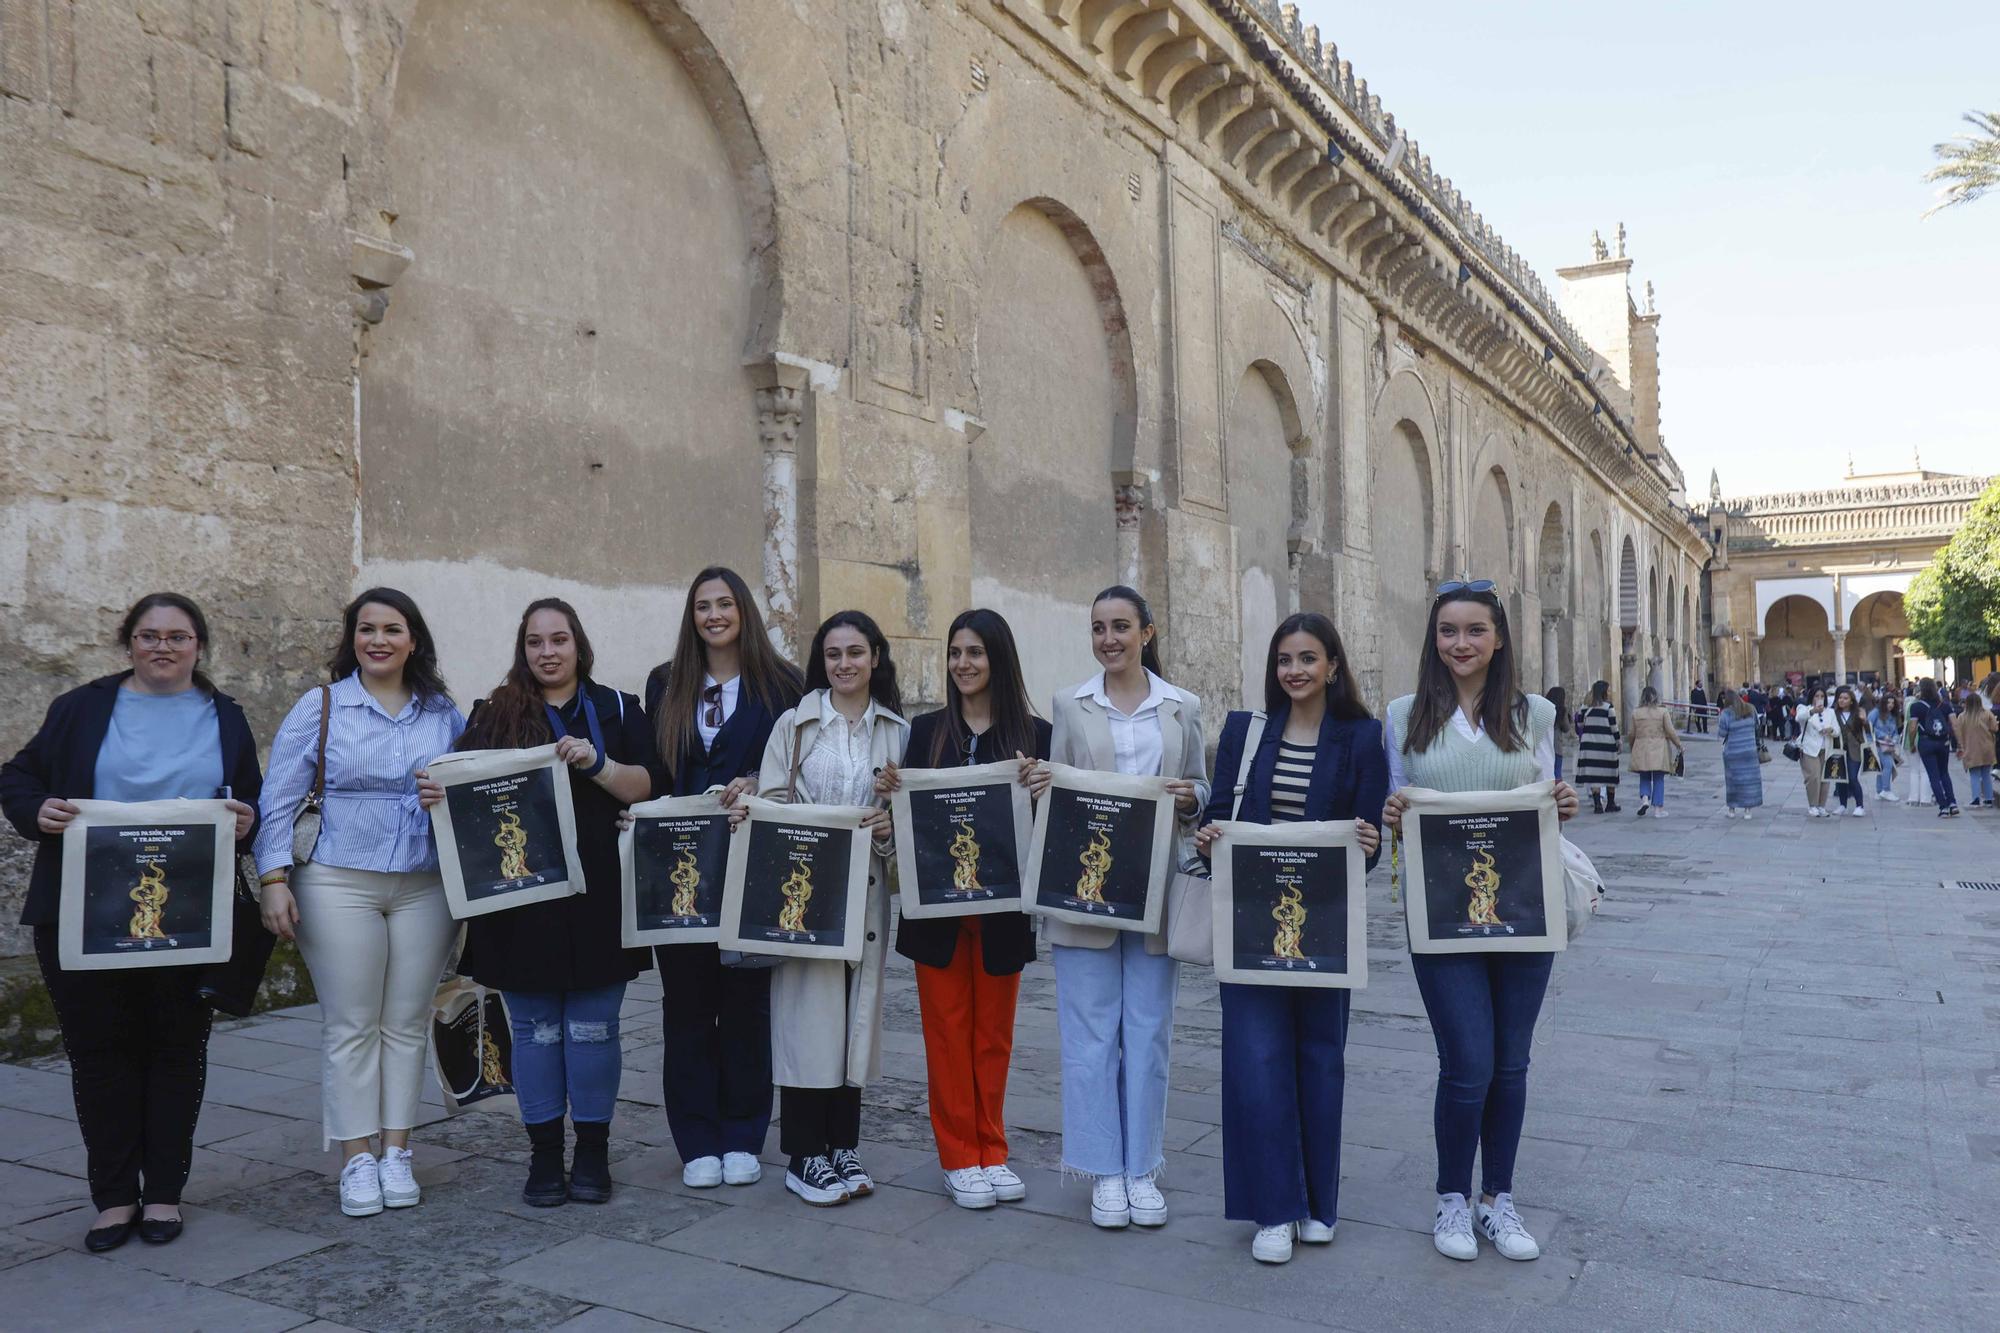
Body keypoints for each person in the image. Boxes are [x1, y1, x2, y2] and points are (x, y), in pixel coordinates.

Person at [0, 594, 261, 1253]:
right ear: (129, 644)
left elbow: (249, 799)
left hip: (189, 913)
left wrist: (247, 819)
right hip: (82, 908)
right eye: (149, 635)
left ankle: (165, 1192)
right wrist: (40, 812)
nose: (163, 647)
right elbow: (17, 777)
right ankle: (114, 1198)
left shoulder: (224, 716)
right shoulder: (82, 707)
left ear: (199, 645)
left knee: (176, 1049)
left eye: (178, 636)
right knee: (100, 1053)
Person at [429, 600, 657, 1208]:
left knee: (592, 1029)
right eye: (535, 642)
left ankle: (591, 1153)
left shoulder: (615, 709)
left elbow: (647, 784)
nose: (547, 652)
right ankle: (543, 1156)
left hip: (600, 896)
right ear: (522, 650)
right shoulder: (494, 713)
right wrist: (436, 789)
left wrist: (596, 761)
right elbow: (460, 786)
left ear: (579, 645)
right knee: (534, 1030)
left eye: (559, 640)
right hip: (520, 899)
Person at [1380, 580, 1579, 1265]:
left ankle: (1498, 1197)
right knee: (1467, 1062)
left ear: (1499, 638)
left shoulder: (1537, 715)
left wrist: (1564, 799)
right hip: (1440, 916)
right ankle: (1451, 1198)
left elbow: (1548, 796)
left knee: (1512, 1062)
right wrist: (1394, 813)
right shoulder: (1404, 715)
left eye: (1474, 630)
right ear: (1432, 639)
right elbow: (1392, 799)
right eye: (1447, 631)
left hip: (1525, 908)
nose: (1460, 643)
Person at [255, 588, 465, 1218]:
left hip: (425, 883)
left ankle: (397, 1150)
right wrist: (273, 879)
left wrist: (445, 795)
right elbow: (279, 798)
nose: (378, 640)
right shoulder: (321, 706)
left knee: (405, 1021)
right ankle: (355, 1158)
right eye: (366, 629)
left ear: (414, 641)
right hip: (336, 879)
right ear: (351, 639)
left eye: (392, 629)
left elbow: (469, 789)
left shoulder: (442, 713)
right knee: (351, 1024)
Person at [1192, 613, 1385, 1264]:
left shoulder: (1362, 736)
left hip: (1325, 922)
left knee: (1320, 1058)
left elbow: (1369, 838)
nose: (1295, 670)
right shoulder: (1246, 734)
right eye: (1283, 660)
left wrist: (1369, 843)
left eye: (1307, 658)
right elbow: (1217, 817)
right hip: (1250, 921)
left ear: (1333, 664)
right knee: (1256, 1060)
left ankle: (1318, 1203)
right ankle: (1273, 1209)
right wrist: (1209, 837)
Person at [1045, 585, 1208, 1231]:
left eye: (1120, 626)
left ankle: (1142, 1165)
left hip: (1157, 887)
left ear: (1147, 630)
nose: (1108, 638)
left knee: (1148, 1030)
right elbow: (1055, 791)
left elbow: (1200, 783)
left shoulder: (1182, 706)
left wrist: (1192, 798)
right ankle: (1101, 1169)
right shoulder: (1070, 703)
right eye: (1098, 628)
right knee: (1089, 1035)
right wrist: (1041, 784)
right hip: (1083, 889)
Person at [877, 609, 1049, 1210]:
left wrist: (1039, 787)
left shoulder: (1035, 735)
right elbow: (908, 820)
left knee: (993, 1037)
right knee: (947, 1034)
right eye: (955, 652)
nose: (963, 664)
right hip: (938, 913)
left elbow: (1050, 825)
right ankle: (958, 1156)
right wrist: (892, 794)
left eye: (975, 652)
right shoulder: (925, 733)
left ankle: (992, 1149)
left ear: (998, 659)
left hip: (1003, 912)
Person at [643, 567, 803, 1190]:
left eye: (725, 604)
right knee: (685, 1004)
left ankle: (743, 1132)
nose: (714, 615)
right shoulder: (665, 683)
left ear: (744, 612)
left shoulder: (781, 685)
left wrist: (764, 787)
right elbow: (656, 769)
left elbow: (799, 765)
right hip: (679, 864)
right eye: (703, 606)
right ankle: (696, 1139)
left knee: (745, 1004)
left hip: (750, 862)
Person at [746, 610, 908, 1206]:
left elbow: (906, 824)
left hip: (865, 892)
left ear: (875, 658)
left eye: (856, 652)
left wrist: (889, 824)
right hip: (804, 892)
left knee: (854, 1020)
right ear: (823, 661)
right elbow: (768, 800)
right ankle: (803, 1154)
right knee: (805, 1020)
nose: (845, 663)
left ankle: (843, 1144)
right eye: (834, 653)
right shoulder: (795, 724)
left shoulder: (896, 731)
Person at [1626, 685, 1682, 818]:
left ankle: (1645, 799)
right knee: (1658, 778)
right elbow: (1670, 731)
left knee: (1644, 776)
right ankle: (1658, 808)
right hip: (1658, 747)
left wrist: (1633, 746)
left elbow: (1631, 733)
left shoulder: (1636, 713)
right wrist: (1678, 744)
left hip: (1641, 746)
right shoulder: (1662, 712)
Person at [1909, 680, 1960, 817]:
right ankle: (1952, 803)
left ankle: (1943, 807)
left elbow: (1913, 727)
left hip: (1926, 742)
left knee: (1933, 776)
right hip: (1943, 743)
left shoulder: (1916, 707)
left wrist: (1911, 743)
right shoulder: (1945, 705)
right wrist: (1960, 744)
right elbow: (1955, 725)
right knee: (1944, 773)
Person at [1572, 681, 1621, 813]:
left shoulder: (1585, 708)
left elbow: (1581, 725)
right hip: (1606, 744)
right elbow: (1614, 727)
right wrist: (1618, 742)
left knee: (1594, 775)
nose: (1610, 692)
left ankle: (1598, 804)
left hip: (1589, 745)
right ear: (1604, 692)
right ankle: (1610, 804)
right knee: (1610, 773)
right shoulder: (1608, 707)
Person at [1715, 689, 1763, 819]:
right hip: (1749, 751)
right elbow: (1757, 726)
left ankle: (1732, 810)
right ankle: (1748, 810)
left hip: (1733, 752)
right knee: (1748, 781)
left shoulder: (1726, 713)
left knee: (1732, 782)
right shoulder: (1750, 709)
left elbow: (1722, 733)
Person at [1828, 685, 1870, 817]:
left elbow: (1868, 730)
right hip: (1838, 748)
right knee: (1840, 778)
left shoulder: (1858, 712)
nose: (1842, 700)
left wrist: (1864, 720)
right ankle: (1842, 805)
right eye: (1840, 698)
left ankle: (1859, 806)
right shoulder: (1833, 713)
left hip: (1854, 749)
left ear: (1851, 701)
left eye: (1845, 698)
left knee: (1852, 777)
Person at [1795, 687, 1834, 818]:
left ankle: (1821, 806)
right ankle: (1812, 805)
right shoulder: (1804, 708)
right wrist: (1813, 711)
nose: (1819, 699)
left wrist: (1831, 730)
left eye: (1822, 696)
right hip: (1809, 749)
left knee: (1825, 779)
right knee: (1813, 777)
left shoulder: (1830, 712)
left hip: (1825, 748)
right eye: (1816, 696)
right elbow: (1798, 718)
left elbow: (1837, 729)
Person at [1958, 690, 1996, 808]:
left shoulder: (1962, 717)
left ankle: (1975, 799)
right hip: (1987, 748)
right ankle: (1989, 799)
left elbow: (1958, 732)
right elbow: (1994, 728)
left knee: (1974, 774)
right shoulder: (1987, 714)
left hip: (1971, 748)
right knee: (1986, 774)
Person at [1868, 690, 1904, 803]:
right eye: (1888, 702)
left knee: (1882, 767)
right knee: (1887, 765)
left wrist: (1895, 739)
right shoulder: (1875, 712)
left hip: (1888, 745)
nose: (1891, 705)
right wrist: (1882, 735)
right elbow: (1868, 727)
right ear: (1883, 702)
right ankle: (1886, 790)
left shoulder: (1893, 715)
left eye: (1893, 703)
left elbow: (1895, 732)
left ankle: (1879, 791)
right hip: (1876, 744)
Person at [1546, 685, 1578, 782]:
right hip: (1556, 746)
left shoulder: (1545, 708)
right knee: (1557, 772)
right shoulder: (1561, 711)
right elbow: (1566, 728)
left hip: (1545, 745)